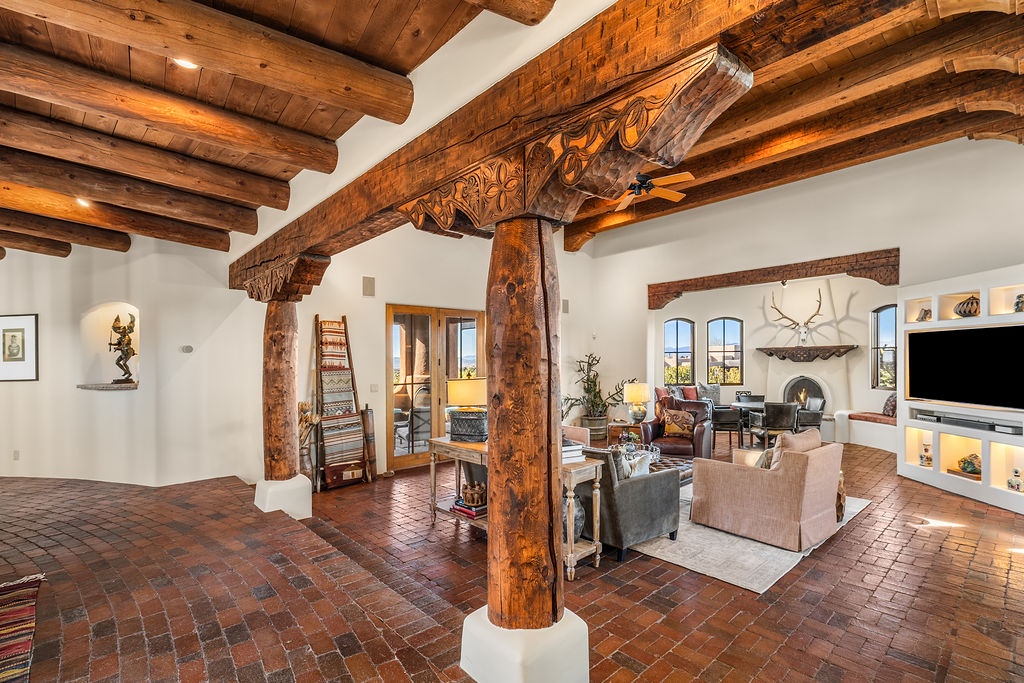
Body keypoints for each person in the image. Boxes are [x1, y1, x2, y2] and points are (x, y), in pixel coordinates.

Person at [109, 313, 137, 380]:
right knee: (117, 362)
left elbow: (122, 345)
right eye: (120, 332)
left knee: (124, 362)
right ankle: (125, 371)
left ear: (124, 332)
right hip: (123, 352)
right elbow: (118, 343)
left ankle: (129, 373)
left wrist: (118, 348)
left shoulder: (126, 338)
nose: (120, 333)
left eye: (121, 332)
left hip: (128, 351)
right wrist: (111, 344)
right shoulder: (121, 338)